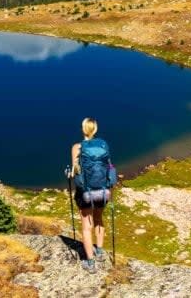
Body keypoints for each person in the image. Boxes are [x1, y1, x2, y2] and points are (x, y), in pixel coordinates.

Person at [70, 117, 116, 272]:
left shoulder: (77, 147)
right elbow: (109, 166)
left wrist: (69, 173)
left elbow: (75, 171)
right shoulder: (103, 145)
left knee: (86, 226)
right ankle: (100, 251)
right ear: (95, 129)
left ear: (83, 129)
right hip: (103, 191)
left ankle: (90, 262)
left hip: (86, 194)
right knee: (98, 219)